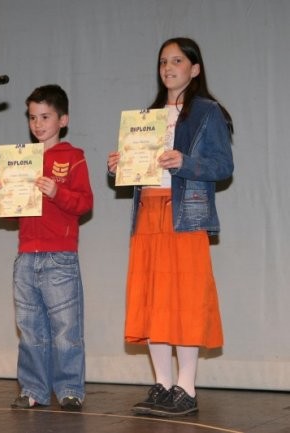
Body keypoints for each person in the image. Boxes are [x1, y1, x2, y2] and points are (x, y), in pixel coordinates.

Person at [107, 37, 234, 417]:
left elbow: (223, 167)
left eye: (177, 60)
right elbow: (137, 170)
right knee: (151, 299)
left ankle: (187, 387)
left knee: (186, 299)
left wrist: (185, 162)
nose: (168, 67)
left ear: (194, 69)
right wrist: (117, 168)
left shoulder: (207, 112)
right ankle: (163, 385)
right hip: (148, 210)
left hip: (184, 214)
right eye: (163, 61)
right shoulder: (147, 116)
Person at [0, 84, 93, 411]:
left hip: (59, 256)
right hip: (26, 256)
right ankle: (33, 389)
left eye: (45, 116)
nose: (37, 124)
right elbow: (15, 209)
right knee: (30, 329)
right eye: (33, 117)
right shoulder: (21, 159)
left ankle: (69, 390)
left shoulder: (73, 157)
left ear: (63, 119)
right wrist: (0, 196)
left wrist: (56, 192)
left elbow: (85, 203)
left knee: (66, 329)